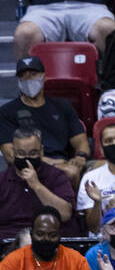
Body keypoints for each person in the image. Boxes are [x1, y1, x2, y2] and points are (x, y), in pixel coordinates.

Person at [0, 57, 89, 189]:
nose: (28, 79)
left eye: (33, 74)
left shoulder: (62, 106)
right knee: (70, 172)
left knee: (103, 167)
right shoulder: (7, 111)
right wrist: (53, 163)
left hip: (64, 160)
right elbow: (10, 155)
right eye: (23, 76)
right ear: (18, 81)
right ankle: (71, 209)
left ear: (44, 77)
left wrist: (81, 156)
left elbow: (81, 141)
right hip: (29, 164)